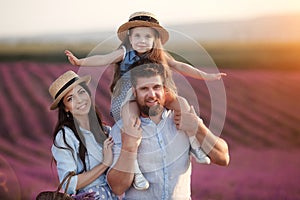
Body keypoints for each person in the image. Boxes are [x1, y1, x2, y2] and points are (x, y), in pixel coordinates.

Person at [64, 11, 226, 190]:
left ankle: (195, 145)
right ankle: (136, 171)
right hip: (128, 95)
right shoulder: (125, 52)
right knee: (130, 125)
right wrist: (81, 62)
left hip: (150, 94)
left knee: (182, 104)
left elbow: (180, 66)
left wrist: (205, 75)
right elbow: (104, 58)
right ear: (130, 38)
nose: (142, 40)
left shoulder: (159, 55)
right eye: (137, 35)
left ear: (155, 39)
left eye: (147, 36)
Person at [106, 62, 230, 199]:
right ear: (134, 93)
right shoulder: (123, 130)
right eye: (144, 89)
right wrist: (129, 148)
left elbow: (223, 158)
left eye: (156, 87)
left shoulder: (183, 118)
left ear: (164, 90)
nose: (151, 94)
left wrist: (198, 128)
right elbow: (117, 188)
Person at [48, 70, 118, 199]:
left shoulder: (106, 131)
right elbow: (68, 184)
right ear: (66, 108)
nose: (79, 100)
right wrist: (105, 164)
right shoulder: (65, 136)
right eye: (70, 98)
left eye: (81, 92)